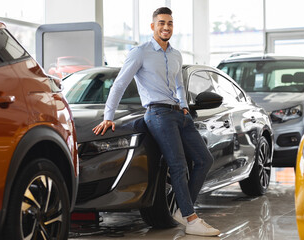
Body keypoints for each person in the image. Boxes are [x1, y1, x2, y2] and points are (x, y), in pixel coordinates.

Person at [92, 7, 220, 237]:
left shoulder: (176, 54)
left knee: (204, 159)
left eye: (170, 23)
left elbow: (180, 84)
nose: (166, 27)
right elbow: (120, 84)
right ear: (153, 26)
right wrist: (108, 117)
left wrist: (183, 105)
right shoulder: (139, 52)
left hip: (179, 114)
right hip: (158, 113)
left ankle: (184, 209)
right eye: (161, 23)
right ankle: (191, 219)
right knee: (179, 165)